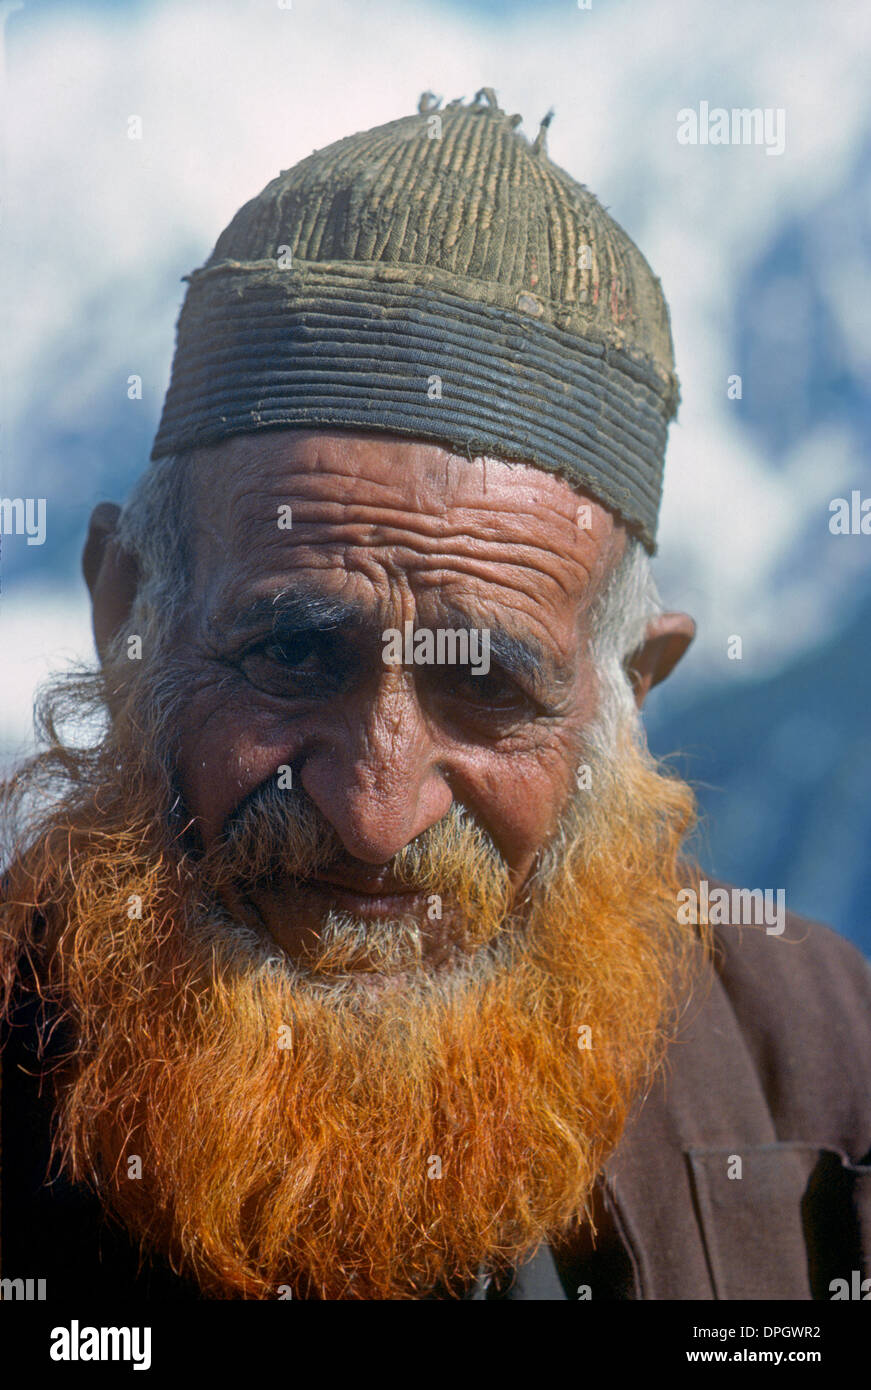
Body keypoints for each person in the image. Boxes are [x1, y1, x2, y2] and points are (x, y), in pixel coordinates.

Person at [2, 89, 869, 1302]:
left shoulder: (820, 1071)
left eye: (491, 689)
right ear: (127, 620)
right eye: (295, 656)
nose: (375, 810)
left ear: (628, 696)